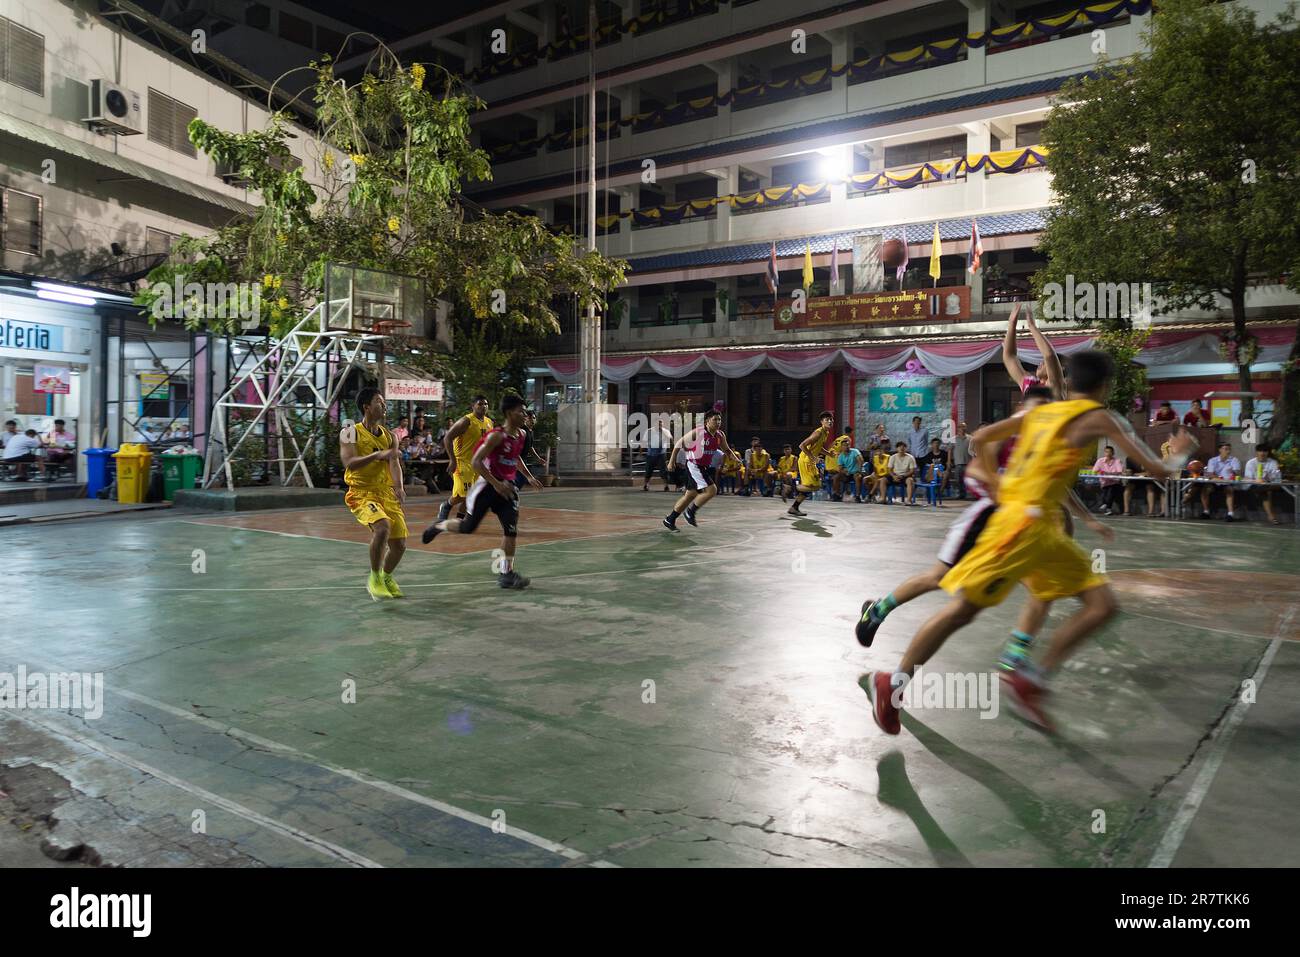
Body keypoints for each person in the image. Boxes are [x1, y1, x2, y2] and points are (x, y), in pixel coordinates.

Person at [861, 349, 1197, 735]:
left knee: (1101, 604)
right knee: (962, 611)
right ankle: (891, 683)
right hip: (1021, 528)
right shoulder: (1101, 416)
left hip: (1046, 532)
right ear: (1106, 385)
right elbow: (1157, 470)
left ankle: (1031, 678)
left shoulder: (1040, 411)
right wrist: (1182, 453)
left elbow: (983, 438)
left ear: (1069, 382)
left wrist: (1001, 485)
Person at [854, 388, 1109, 651]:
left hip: (1019, 530)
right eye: (1037, 405)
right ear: (1022, 406)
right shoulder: (1006, 439)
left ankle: (1015, 658)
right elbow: (974, 473)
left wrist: (1088, 519)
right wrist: (1001, 488)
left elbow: (1059, 487)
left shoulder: (1045, 443)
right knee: (939, 578)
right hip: (985, 522)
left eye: (1047, 407)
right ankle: (878, 611)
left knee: (1040, 586)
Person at [421, 394, 541, 589]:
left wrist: (528, 477)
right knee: (468, 527)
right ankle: (440, 526)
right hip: (487, 487)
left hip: (506, 490)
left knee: (511, 531)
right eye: (521, 411)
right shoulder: (496, 436)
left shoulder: (522, 435)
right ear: (510, 413)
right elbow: (477, 462)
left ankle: (506, 573)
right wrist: (495, 483)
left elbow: (516, 458)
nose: (525, 415)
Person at [340, 388, 407, 602]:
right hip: (361, 492)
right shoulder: (350, 430)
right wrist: (378, 454)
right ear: (366, 407)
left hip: (385, 492)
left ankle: (386, 576)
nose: (384, 405)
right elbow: (349, 462)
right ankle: (375, 578)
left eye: (384, 402)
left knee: (400, 545)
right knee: (382, 526)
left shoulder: (390, 436)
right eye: (379, 402)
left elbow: (394, 461)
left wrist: (399, 486)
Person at [663, 410, 741, 529]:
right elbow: (679, 443)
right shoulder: (699, 432)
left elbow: (727, 450)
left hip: (702, 467)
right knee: (712, 490)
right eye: (715, 419)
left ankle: (670, 519)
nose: (718, 422)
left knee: (690, 495)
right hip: (694, 465)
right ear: (707, 421)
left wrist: (736, 460)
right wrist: (672, 461)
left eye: (719, 419)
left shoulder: (720, 435)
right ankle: (690, 512)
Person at [440, 396, 494, 522]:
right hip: (462, 462)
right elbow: (447, 438)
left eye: (486, 404)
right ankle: (446, 505)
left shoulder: (489, 422)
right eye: (480, 404)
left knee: (472, 494)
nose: (483, 406)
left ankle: (460, 518)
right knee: (461, 495)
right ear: (473, 406)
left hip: (478, 463)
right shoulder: (466, 421)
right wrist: (452, 460)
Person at [1001, 300, 1064, 396]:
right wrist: (1012, 324)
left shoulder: (1056, 387)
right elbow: (1009, 357)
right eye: (1042, 361)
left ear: (1060, 368)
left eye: (1044, 363)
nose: (1041, 363)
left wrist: (1032, 327)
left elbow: (1049, 355)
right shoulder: (1029, 383)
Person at [789, 411, 834, 517]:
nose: (830, 421)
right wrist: (813, 457)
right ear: (821, 422)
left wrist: (828, 453)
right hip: (806, 461)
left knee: (812, 486)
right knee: (813, 486)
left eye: (831, 419)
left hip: (810, 461)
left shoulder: (825, 432)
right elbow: (802, 445)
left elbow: (818, 447)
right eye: (827, 419)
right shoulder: (818, 432)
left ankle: (794, 507)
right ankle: (789, 488)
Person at [1196, 442, 1241, 521]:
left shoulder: (1234, 460)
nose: (1228, 451)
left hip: (1227, 483)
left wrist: (1232, 474)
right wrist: (1220, 478)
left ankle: (1230, 514)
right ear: (1220, 450)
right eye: (1226, 449)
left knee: (1229, 490)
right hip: (1214, 483)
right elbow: (1210, 475)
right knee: (1205, 490)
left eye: (1229, 449)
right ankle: (1206, 512)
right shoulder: (1212, 460)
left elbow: (1237, 473)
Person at [1243, 444, 1284, 525]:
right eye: (1260, 451)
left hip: (1271, 484)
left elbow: (1277, 477)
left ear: (1268, 453)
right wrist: (1256, 480)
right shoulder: (1251, 463)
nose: (1262, 453)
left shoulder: (1273, 462)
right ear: (1256, 452)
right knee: (1265, 492)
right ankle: (1271, 517)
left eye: (1264, 451)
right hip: (1255, 485)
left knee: (1268, 488)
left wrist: (1269, 478)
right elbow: (1247, 478)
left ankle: (1270, 516)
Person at [916, 437, 951, 506]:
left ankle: (940, 492)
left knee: (946, 473)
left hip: (942, 472)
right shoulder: (929, 455)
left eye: (937, 443)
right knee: (934, 468)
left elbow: (948, 463)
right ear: (932, 445)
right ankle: (931, 493)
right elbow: (927, 467)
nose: (936, 445)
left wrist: (947, 467)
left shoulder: (944, 454)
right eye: (934, 443)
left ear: (939, 444)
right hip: (932, 473)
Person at [643, 417, 673, 492]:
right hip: (651, 453)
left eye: (661, 422)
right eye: (658, 422)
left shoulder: (666, 431)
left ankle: (666, 486)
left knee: (664, 471)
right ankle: (646, 485)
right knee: (648, 470)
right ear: (654, 423)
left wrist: (664, 434)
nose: (659, 424)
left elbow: (671, 440)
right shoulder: (649, 431)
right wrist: (642, 451)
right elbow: (644, 441)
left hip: (661, 454)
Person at [1093, 445, 1125, 515]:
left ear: (1113, 453)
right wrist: (1101, 472)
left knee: (1111, 489)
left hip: (1115, 482)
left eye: (1110, 452)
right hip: (1104, 482)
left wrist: (1109, 473)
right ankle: (1108, 508)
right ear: (1104, 453)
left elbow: (1120, 472)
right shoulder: (1100, 461)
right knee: (1106, 490)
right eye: (1106, 452)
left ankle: (1105, 505)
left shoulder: (1117, 461)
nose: (1108, 453)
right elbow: (1095, 471)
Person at [949, 422, 971, 499]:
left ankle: (965, 494)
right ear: (958, 428)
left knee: (967, 480)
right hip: (958, 463)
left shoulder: (970, 438)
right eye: (960, 427)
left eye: (964, 427)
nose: (962, 428)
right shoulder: (953, 439)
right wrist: (949, 461)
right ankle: (960, 494)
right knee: (958, 480)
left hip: (968, 463)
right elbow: (950, 450)